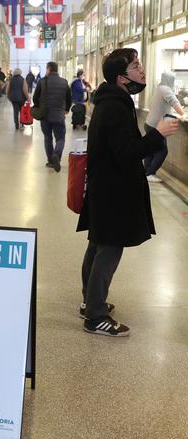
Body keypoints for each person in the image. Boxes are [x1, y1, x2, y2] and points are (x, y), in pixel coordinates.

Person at [76, 48, 179, 337]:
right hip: (113, 190)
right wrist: (157, 134)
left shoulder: (110, 100)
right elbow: (127, 153)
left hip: (104, 187)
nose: (142, 71)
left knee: (97, 244)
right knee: (108, 249)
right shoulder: (115, 107)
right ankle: (95, 317)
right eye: (136, 66)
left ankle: (90, 302)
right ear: (122, 77)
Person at [143, 72, 185, 183]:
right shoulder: (166, 89)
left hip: (150, 123)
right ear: (170, 80)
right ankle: (149, 173)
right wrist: (183, 114)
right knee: (162, 151)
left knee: (151, 149)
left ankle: (146, 171)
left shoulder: (159, 88)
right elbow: (174, 102)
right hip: (156, 126)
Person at [32, 62, 71, 172]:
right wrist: (66, 109)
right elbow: (69, 98)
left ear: (48, 69)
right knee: (60, 138)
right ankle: (57, 155)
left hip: (45, 115)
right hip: (59, 114)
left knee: (48, 137)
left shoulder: (42, 81)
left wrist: (39, 106)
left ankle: (50, 161)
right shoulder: (64, 82)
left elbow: (35, 98)